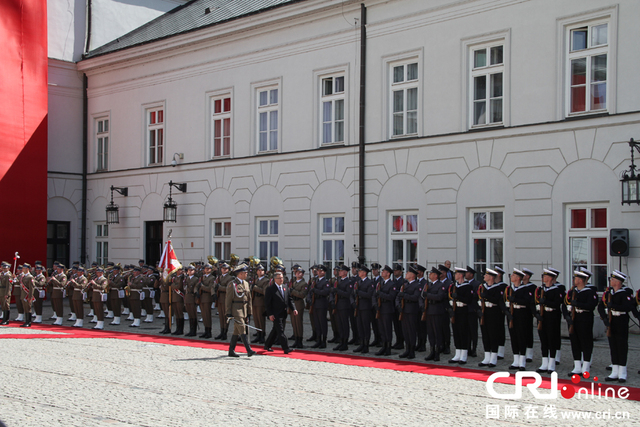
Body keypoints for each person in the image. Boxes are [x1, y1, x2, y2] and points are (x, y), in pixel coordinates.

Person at [598, 270, 634, 383]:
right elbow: (600, 306)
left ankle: (622, 372)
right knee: (613, 346)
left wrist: (613, 306)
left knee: (621, 345)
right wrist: (604, 318)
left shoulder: (625, 293)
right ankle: (615, 371)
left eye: (613, 279)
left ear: (618, 282)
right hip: (611, 320)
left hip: (621, 320)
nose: (611, 281)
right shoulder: (609, 293)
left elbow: (628, 307)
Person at [564, 268, 598, 376]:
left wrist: (577, 304)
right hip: (574, 318)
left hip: (585, 318)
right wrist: (567, 316)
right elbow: (564, 304)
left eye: (576, 278)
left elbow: (591, 306)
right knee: (575, 341)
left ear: (582, 280)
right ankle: (577, 366)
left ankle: (586, 366)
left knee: (585, 341)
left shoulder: (590, 292)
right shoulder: (572, 291)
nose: (574, 279)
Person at [504, 268, 534, 371]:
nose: (511, 277)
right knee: (514, 337)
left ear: (518, 278)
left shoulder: (525, 289)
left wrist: (515, 300)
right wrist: (507, 312)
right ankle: (515, 360)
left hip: (521, 314)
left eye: (513, 275)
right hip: (512, 315)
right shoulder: (509, 289)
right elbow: (504, 301)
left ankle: (522, 361)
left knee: (521, 337)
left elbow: (528, 302)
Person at [535, 268, 564, 374]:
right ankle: (544, 362)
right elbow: (535, 303)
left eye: (546, 276)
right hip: (543, 316)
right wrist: (537, 314)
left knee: (552, 339)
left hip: (552, 316)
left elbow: (557, 303)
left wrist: (546, 301)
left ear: (551, 278)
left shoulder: (556, 290)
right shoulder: (540, 289)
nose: (543, 278)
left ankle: (551, 363)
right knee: (543, 339)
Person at [226, 263, 255, 357]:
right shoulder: (232, 284)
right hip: (236, 309)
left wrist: (250, 312)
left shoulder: (246, 283)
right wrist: (228, 312)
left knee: (236, 331)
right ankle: (248, 350)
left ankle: (231, 350)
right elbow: (228, 299)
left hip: (244, 309)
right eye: (245, 273)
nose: (247, 274)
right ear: (240, 274)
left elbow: (249, 299)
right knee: (242, 328)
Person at [264, 271, 296, 354]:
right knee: (281, 331)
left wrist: (294, 309)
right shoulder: (270, 289)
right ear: (275, 279)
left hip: (283, 313)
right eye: (279, 278)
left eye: (282, 278)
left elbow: (289, 300)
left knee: (275, 330)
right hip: (275, 314)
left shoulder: (285, 288)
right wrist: (270, 314)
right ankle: (286, 348)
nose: (281, 279)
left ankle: (267, 345)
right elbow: (268, 303)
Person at [477, 268, 503, 367]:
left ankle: (493, 357)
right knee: (485, 334)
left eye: (486, 275)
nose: (484, 277)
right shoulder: (482, 287)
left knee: (493, 335)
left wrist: (486, 296)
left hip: (493, 312)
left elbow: (497, 300)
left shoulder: (497, 288)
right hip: (484, 312)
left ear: (491, 277)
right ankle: (487, 356)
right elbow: (477, 298)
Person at [449, 267, 473, 364]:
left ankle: (464, 354)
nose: (455, 276)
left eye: (457, 274)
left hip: (463, 310)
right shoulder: (453, 286)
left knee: (463, 332)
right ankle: (457, 353)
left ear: (461, 275)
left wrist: (458, 297)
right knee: (456, 332)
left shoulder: (467, 286)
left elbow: (469, 300)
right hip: (455, 310)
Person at [397, 265, 421, 359]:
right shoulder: (405, 285)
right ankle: (407, 349)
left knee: (411, 331)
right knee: (405, 331)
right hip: (404, 310)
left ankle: (412, 351)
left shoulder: (417, 285)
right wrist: (399, 305)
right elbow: (399, 296)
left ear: (412, 275)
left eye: (408, 273)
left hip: (412, 310)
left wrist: (405, 295)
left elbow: (415, 297)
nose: (406, 274)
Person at [423, 267, 447, 361]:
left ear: (435, 276)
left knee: (437, 332)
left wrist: (428, 295)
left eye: (431, 274)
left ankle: (437, 352)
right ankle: (432, 351)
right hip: (429, 310)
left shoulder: (441, 285)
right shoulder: (428, 285)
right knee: (430, 333)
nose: (429, 275)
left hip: (437, 311)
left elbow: (439, 297)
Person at [376, 265, 397, 356]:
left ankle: (388, 347)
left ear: (388, 274)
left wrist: (381, 294)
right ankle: (383, 346)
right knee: (382, 329)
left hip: (387, 309)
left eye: (384, 271)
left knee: (387, 329)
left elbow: (391, 297)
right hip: (381, 308)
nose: (382, 272)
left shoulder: (392, 284)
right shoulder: (381, 283)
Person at [332, 265, 354, 351]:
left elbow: (348, 294)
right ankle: (341, 341)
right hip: (338, 305)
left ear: (345, 272)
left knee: (344, 324)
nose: (339, 272)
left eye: (341, 271)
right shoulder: (338, 281)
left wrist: (338, 291)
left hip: (345, 305)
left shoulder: (349, 282)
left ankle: (345, 342)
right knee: (339, 324)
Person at [354, 265, 374, 354]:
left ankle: (366, 345)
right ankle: (361, 343)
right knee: (360, 326)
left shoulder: (369, 282)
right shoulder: (358, 281)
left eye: (360, 271)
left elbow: (369, 294)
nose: (358, 273)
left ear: (364, 273)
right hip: (359, 306)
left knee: (366, 326)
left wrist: (359, 292)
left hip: (366, 307)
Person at [310, 265, 331, 348]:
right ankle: (318, 339)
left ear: (324, 272)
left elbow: (325, 292)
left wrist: (315, 290)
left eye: (321, 271)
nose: (319, 272)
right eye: (318, 271)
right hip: (315, 303)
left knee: (322, 323)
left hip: (322, 303)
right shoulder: (315, 281)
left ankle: (323, 340)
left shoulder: (326, 282)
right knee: (317, 323)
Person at [290, 266, 308, 348]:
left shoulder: (304, 284)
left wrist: (293, 291)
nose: (297, 273)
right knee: (294, 323)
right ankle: (296, 339)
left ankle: (300, 340)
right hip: (293, 303)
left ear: (303, 274)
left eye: (300, 272)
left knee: (298, 323)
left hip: (299, 304)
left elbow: (302, 295)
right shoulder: (294, 283)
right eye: (297, 272)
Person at [251, 264, 269, 343]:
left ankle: (262, 336)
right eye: (259, 270)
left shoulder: (266, 280)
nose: (260, 271)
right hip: (255, 301)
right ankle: (258, 334)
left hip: (261, 302)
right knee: (256, 320)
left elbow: (264, 291)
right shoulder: (256, 279)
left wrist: (255, 288)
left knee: (261, 320)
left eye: (262, 270)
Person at [464, 266, 480, 357]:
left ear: (471, 274)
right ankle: (468, 348)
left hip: (472, 309)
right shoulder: (465, 283)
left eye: (467, 273)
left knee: (473, 331)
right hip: (465, 310)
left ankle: (474, 349)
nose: (465, 275)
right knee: (467, 331)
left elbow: (475, 296)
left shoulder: (476, 283)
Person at [214, 263, 232, 340]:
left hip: (225, 298)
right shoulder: (219, 277)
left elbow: (228, 289)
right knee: (221, 317)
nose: (224, 270)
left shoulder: (230, 278)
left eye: (226, 269)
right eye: (223, 268)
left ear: (228, 270)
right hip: (220, 298)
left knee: (225, 317)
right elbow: (214, 286)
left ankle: (225, 332)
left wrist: (219, 287)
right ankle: (221, 331)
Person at [198, 263, 216, 338]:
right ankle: (206, 330)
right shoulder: (202, 277)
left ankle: (209, 331)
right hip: (201, 297)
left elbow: (209, 288)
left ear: (211, 270)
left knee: (207, 315)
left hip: (207, 297)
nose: (206, 270)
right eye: (205, 268)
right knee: (204, 315)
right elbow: (197, 285)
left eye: (208, 269)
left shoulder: (212, 278)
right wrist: (196, 291)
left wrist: (202, 287)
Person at [184, 265, 199, 337]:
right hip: (187, 297)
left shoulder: (195, 279)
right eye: (189, 270)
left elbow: (195, 288)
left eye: (191, 270)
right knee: (190, 314)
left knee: (193, 314)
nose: (190, 271)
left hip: (192, 297)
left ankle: (194, 331)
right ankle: (191, 329)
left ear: (194, 271)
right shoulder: (186, 279)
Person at [170, 268, 185, 335]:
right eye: (179, 270)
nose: (180, 271)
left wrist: (173, 285)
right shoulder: (175, 278)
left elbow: (179, 286)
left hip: (179, 297)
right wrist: (173, 285)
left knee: (180, 313)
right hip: (174, 297)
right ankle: (177, 329)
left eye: (181, 270)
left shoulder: (182, 278)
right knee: (177, 314)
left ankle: (181, 330)